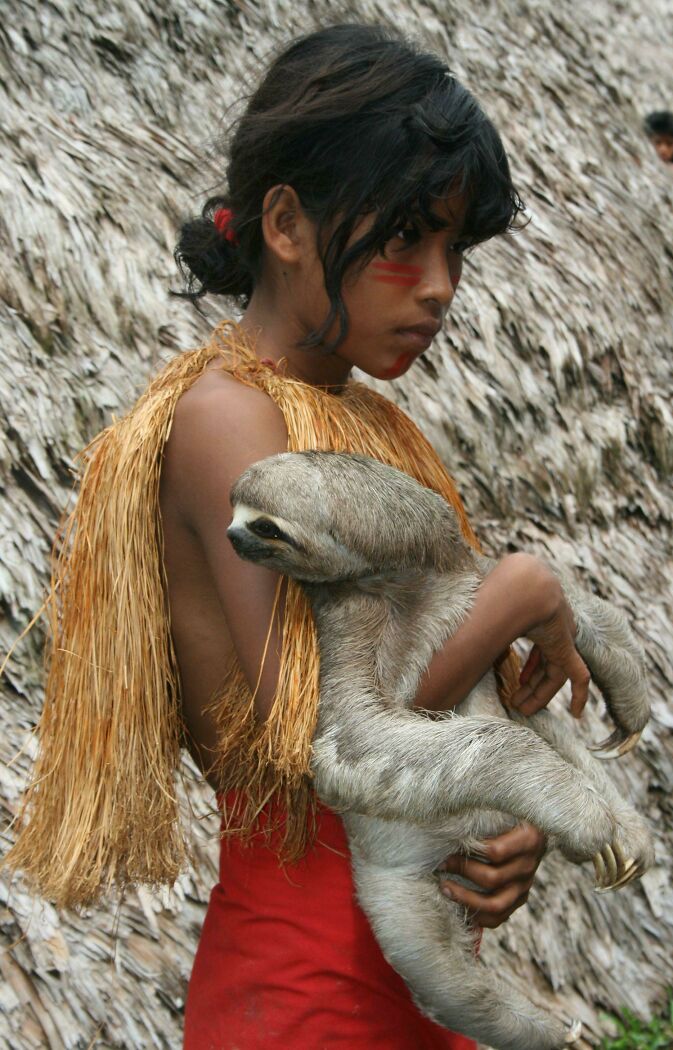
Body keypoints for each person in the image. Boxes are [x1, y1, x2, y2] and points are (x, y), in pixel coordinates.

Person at [7, 23, 593, 1050]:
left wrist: (516, 822)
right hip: (304, 991)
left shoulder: (371, 427)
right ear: (285, 222)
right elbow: (322, 736)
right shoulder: (224, 419)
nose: (439, 284)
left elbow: (442, 707)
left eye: (454, 247)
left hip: (415, 968)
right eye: (405, 237)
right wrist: (516, 593)